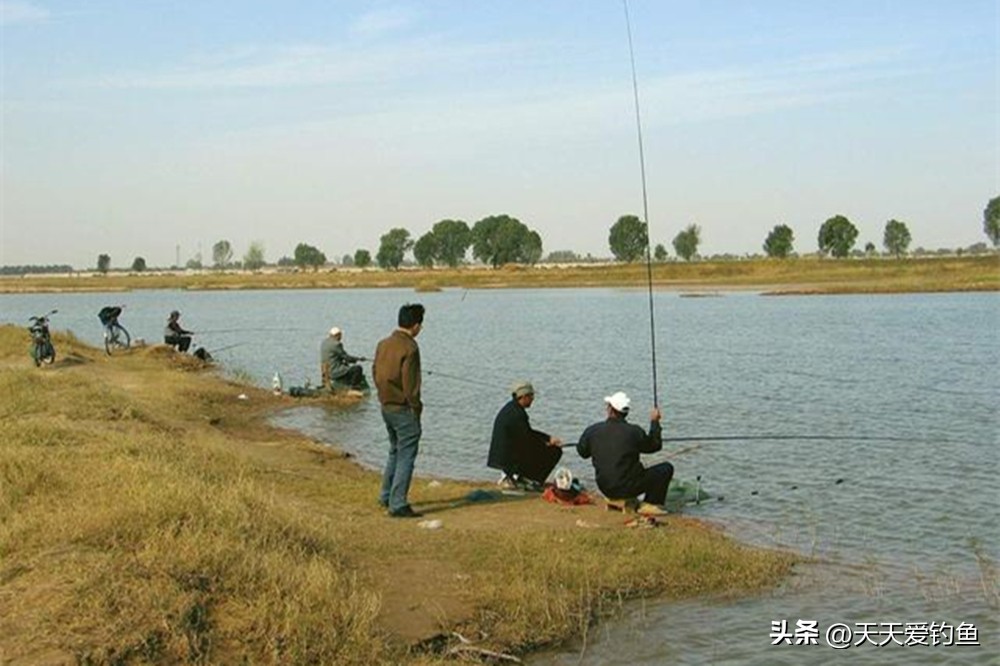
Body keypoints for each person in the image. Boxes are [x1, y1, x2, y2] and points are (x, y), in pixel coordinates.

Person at [576, 391, 673, 516]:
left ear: (610, 409)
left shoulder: (592, 430)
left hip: (604, 487)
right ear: (626, 413)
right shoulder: (635, 431)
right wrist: (655, 422)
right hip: (627, 487)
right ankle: (651, 504)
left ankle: (628, 500)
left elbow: (582, 452)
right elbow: (655, 446)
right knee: (666, 468)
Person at [372, 303, 425, 518]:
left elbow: (375, 372)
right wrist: (416, 409)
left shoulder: (383, 344)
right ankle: (398, 504)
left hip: (386, 406)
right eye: (420, 325)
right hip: (403, 409)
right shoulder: (410, 348)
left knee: (395, 451)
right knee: (406, 456)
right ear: (415, 325)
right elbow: (411, 385)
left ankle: (386, 496)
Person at [487, 381, 563, 490]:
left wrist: (548, 438)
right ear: (523, 396)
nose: (533, 399)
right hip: (508, 459)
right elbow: (528, 439)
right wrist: (546, 444)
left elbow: (527, 433)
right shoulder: (517, 414)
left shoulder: (511, 408)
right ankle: (532, 481)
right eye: (531, 396)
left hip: (502, 457)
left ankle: (524, 478)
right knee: (555, 451)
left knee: (543, 448)